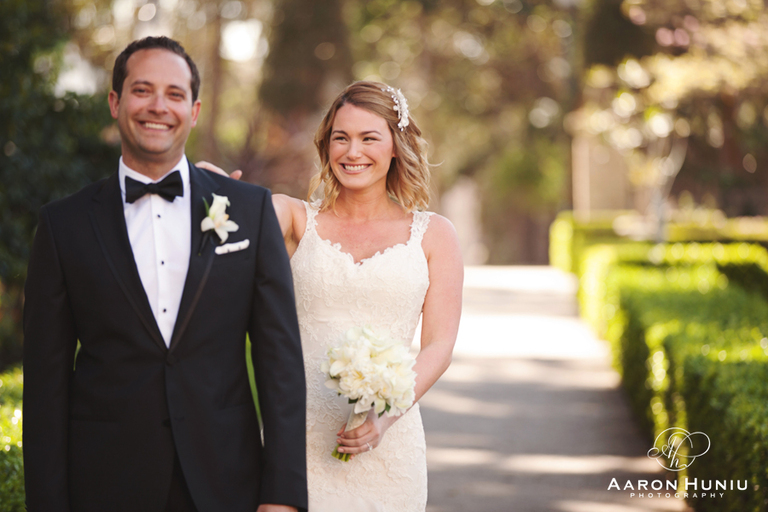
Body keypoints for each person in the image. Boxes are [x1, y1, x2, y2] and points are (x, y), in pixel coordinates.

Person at [23, 36, 307, 512]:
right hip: (105, 486)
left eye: (175, 94)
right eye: (142, 90)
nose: (159, 106)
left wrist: (283, 497)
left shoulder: (250, 210)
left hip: (226, 484)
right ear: (115, 102)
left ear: (194, 111)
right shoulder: (62, 226)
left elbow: (280, 363)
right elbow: (45, 388)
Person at [202, 80, 463, 511]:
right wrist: (209, 185)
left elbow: (439, 345)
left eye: (369, 138)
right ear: (326, 146)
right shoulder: (292, 218)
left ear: (395, 146)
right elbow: (230, 210)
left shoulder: (435, 235)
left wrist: (385, 416)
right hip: (297, 442)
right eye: (341, 138)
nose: (352, 151)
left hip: (389, 449)